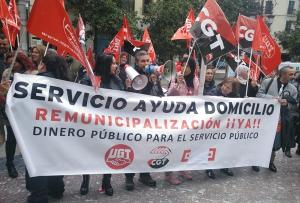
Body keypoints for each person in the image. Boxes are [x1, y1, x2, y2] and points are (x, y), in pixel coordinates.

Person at [26, 53, 68, 203]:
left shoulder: (34, 82)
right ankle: (56, 189)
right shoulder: (65, 84)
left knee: (36, 161)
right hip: (58, 130)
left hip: (38, 130)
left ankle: (39, 196)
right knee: (55, 159)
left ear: (43, 65)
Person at [124, 50, 162, 191]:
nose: (146, 63)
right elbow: (129, 98)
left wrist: (154, 83)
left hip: (149, 119)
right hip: (134, 119)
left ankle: (145, 174)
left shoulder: (153, 75)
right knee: (132, 147)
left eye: (148, 60)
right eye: (143, 61)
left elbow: (159, 96)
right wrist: (128, 87)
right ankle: (129, 177)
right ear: (137, 62)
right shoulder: (129, 74)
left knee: (147, 148)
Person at [1, 51, 37, 179]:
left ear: (21, 62)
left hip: (26, 111)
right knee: (12, 138)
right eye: (9, 62)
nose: (12, 65)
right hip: (11, 110)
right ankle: (10, 164)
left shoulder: (31, 74)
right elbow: (3, 92)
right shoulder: (7, 73)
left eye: (15, 62)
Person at [256, 66, 297, 172]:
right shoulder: (268, 82)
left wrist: (287, 103)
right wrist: (272, 99)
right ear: (282, 74)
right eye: (290, 74)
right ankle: (255, 161)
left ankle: (270, 161)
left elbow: (294, 105)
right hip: (265, 117)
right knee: (260, 139)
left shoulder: (293, 88)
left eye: (293, 74)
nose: (293, 76)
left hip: (280, 119)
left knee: (274, 142)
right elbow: (259, 95)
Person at [206, 77, 240, 178]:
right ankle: (209, 168)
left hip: (226, 126)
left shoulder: (235, 96)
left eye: (228, 88)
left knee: (225, 147)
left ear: (232, 90)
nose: (225, 88)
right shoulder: (213, 93)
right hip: (214, 126)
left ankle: (224, 166)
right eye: (225, 85)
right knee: (212, 148)